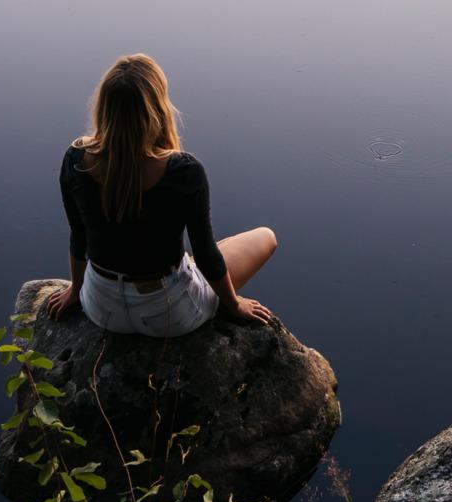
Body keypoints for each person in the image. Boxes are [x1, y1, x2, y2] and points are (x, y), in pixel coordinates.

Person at [42, 54, 277, 337]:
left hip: (101, 307)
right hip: (169, 314)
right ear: (157, 108)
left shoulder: (76, 160)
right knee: (265, 237)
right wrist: (234, 304)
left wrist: (75, 290)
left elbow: (79, 239)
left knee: (199, 256)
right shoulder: (183, 171)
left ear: (104, 108)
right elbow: (206, 255)